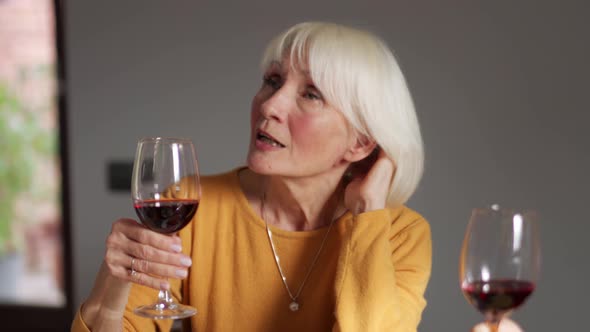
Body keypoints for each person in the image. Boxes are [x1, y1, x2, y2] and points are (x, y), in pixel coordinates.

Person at [70, 21, 499, 332]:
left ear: (361, 144)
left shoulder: (400, 235)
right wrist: (114, 284)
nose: (271, 105)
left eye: (311, 94)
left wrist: (368, 212)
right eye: (272, 80)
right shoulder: (193, 206)